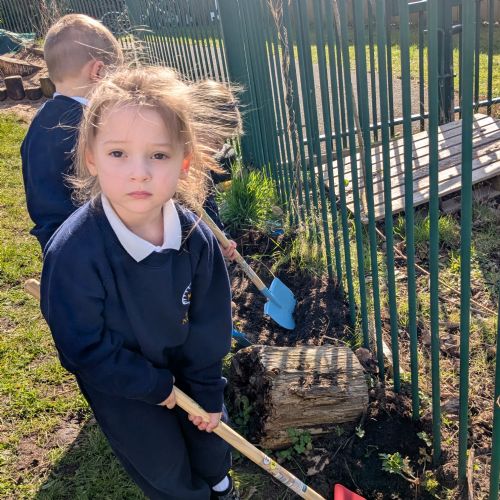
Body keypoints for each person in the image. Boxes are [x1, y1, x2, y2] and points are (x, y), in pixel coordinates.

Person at [40, 66, 240, 499]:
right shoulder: (73, 254)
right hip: (122, 385)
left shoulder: (195, 238)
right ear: (91, 157)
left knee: (210, 434)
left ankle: (220, 484)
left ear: (184, 162)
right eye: (118, 153)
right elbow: (81, 347)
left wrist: (207, 388)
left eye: (159, 155)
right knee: (161, 462)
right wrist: (150, 385)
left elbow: (209, 322)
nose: (139, 173)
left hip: (184, 362)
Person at [21, 13, 123, 251]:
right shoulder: (91, 127)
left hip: (54, 242)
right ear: (99, 71)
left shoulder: (38, 121)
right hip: (92, 245)